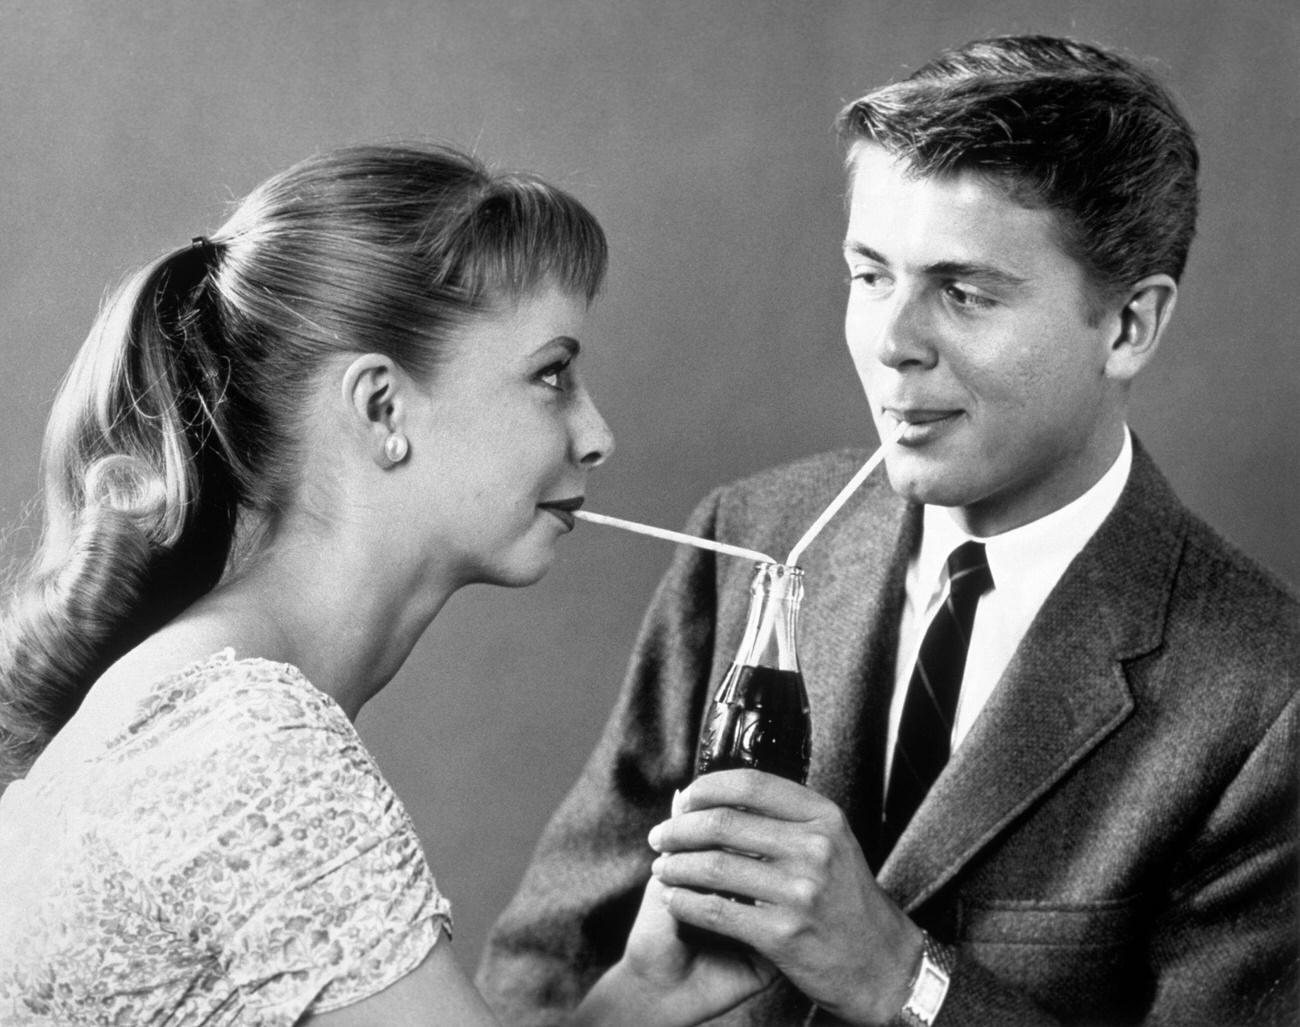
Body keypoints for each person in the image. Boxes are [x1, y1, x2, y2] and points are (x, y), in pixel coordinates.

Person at [477, 36, 1300, 1027]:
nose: (891, 345)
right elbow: (548, 968)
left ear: (1128, 327)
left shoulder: (1264, 701)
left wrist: (901, 976)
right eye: (870, 276)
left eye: (963, 292)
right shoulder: (747, 534)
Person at [0, 144, 776, 1025]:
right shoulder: (252, 748)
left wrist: (642, 995)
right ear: (381, 408)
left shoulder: (194, 696)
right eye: (552, 374)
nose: (596, 434)